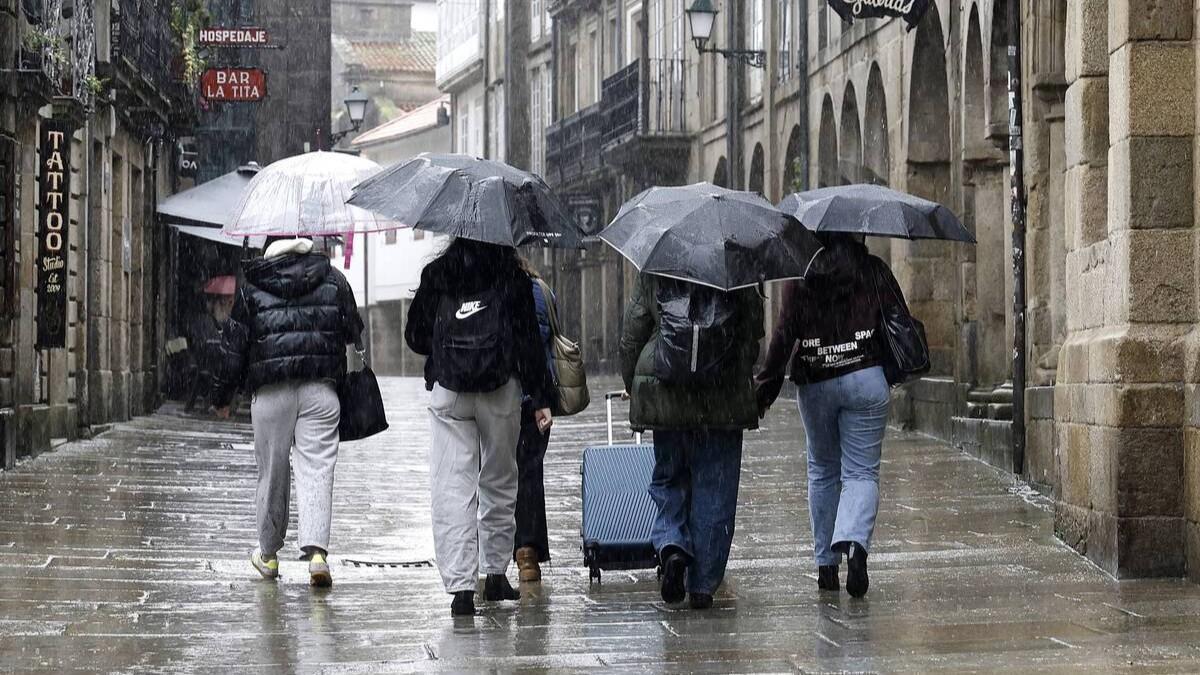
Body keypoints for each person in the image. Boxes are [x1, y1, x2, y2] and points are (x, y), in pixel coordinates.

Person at [405, 238, 555, 617]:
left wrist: (450, 342)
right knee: (500, 480)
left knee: (452, 485)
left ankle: (460, 588)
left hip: (450, 391)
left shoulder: (438, 273)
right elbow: (528, 343)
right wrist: (539, 397)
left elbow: (416, 337)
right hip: (499, 390)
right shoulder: (512, 276)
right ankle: (495, 574)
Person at [754, 233, 901, 599]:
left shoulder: (802, 275)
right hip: (866, 376)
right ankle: (854, 545)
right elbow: (898, 321)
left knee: (822, 468)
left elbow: (783, 335)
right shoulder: (872, 270)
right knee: (861, 471)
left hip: (817, 380)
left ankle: (825, 564)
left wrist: (764, 391)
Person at [211, 236, 363, 588]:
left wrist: (222, 395)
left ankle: (268, 555)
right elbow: (353, 330)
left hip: (271, 391)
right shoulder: (334, 278)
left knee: (272, 472)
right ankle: (317, 555)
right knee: (317, 470)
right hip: (320, 390)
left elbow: (234, 346)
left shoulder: (252, 286)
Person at [618, 272, 764, 610]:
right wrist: (736, 368)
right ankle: (703, 585)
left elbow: (632, 333)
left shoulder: (655, 268)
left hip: (666, 389)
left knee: (670, 475)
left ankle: (672, 547)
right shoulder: (735, 267)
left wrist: (634, 380)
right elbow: (752, 330)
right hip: (722, 398)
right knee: (717, 486)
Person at [513, 261, 557, 582]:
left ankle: (496, 553)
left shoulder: (492, 290)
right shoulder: (542, 290)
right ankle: (527, 552)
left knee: (493, 478)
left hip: (500, 397)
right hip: (534, 398)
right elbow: (549, 339)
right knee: (530, 474)